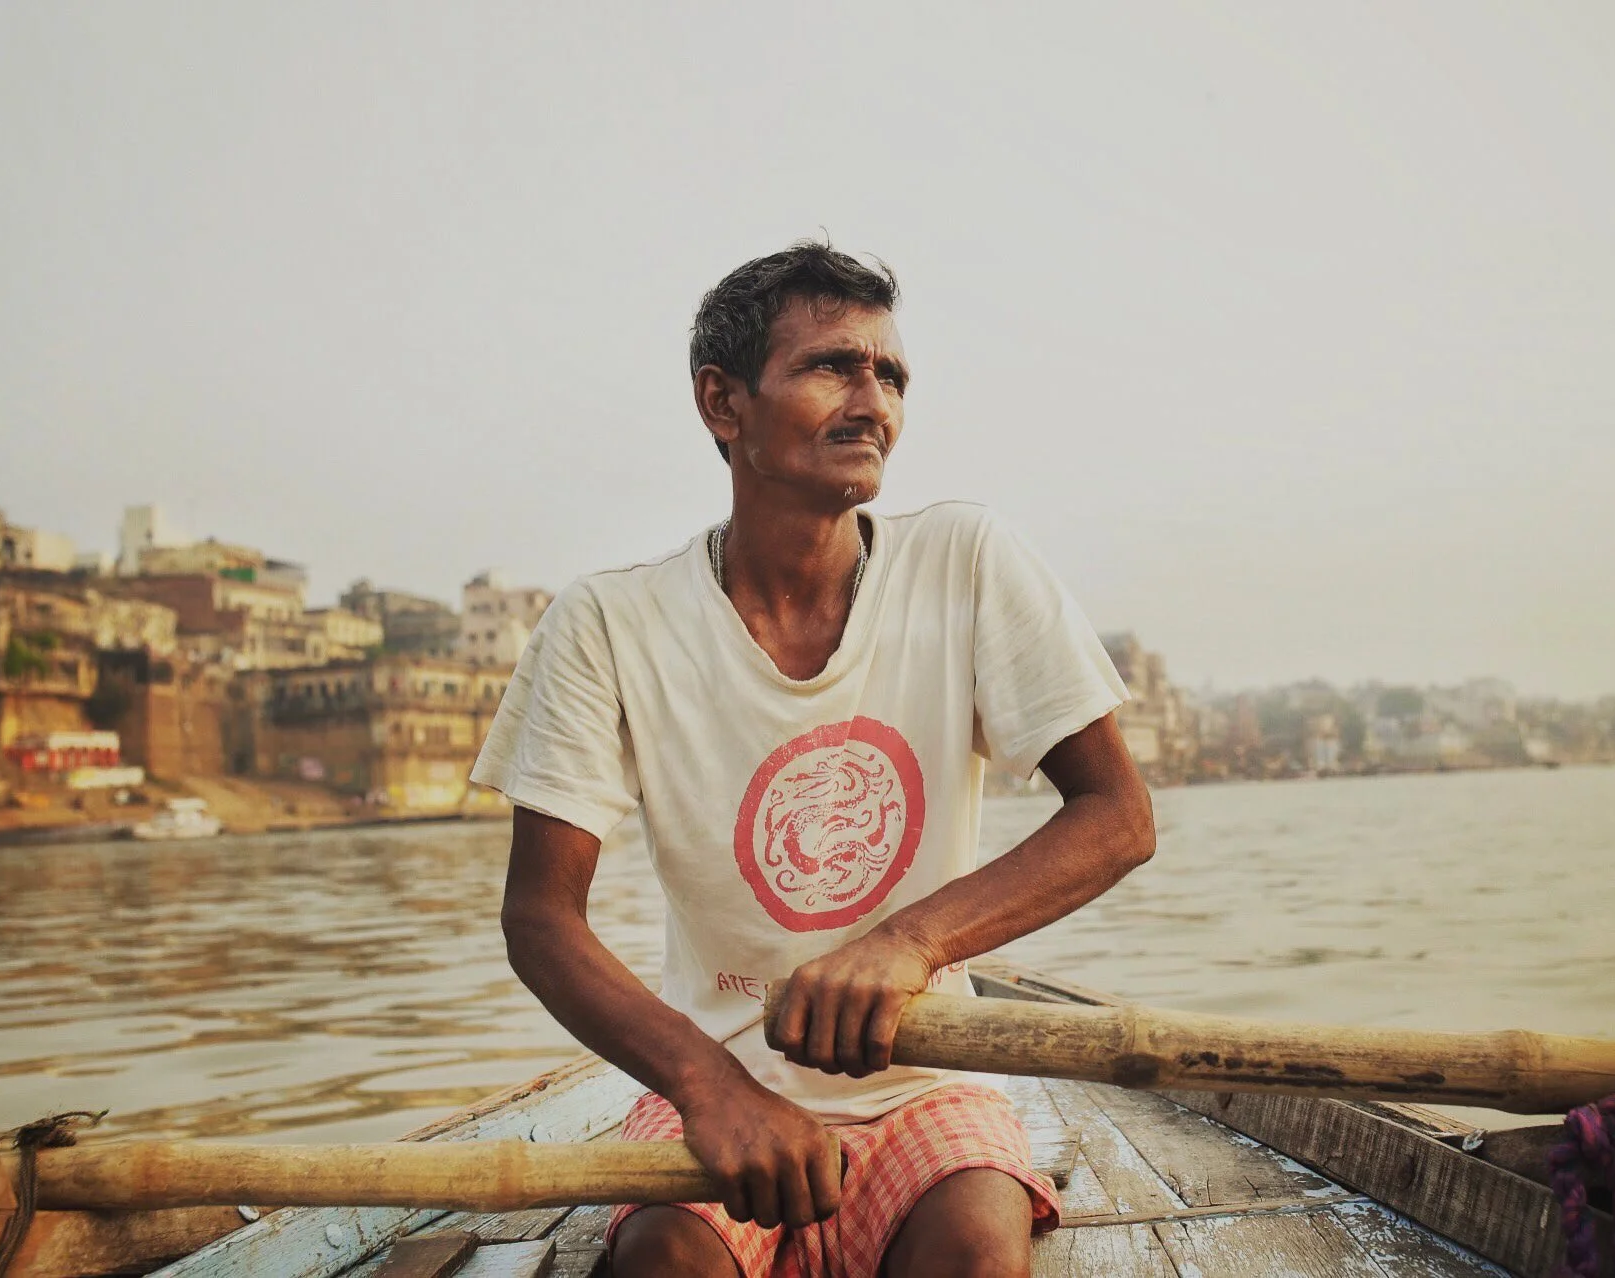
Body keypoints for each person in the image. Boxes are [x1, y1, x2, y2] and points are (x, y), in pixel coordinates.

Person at [475, 241, 1155, 1278]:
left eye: (891, 375)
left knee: (977, 1257)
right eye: (834, 366)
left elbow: (1116, 815)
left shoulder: (964, 562)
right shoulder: (609, 624)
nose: (873, 399)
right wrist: (711, 1089)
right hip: (713, 1082)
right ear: (723, 403)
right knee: (662, 1268)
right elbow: (541, 919)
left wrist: (909, 943)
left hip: (929, 1082)